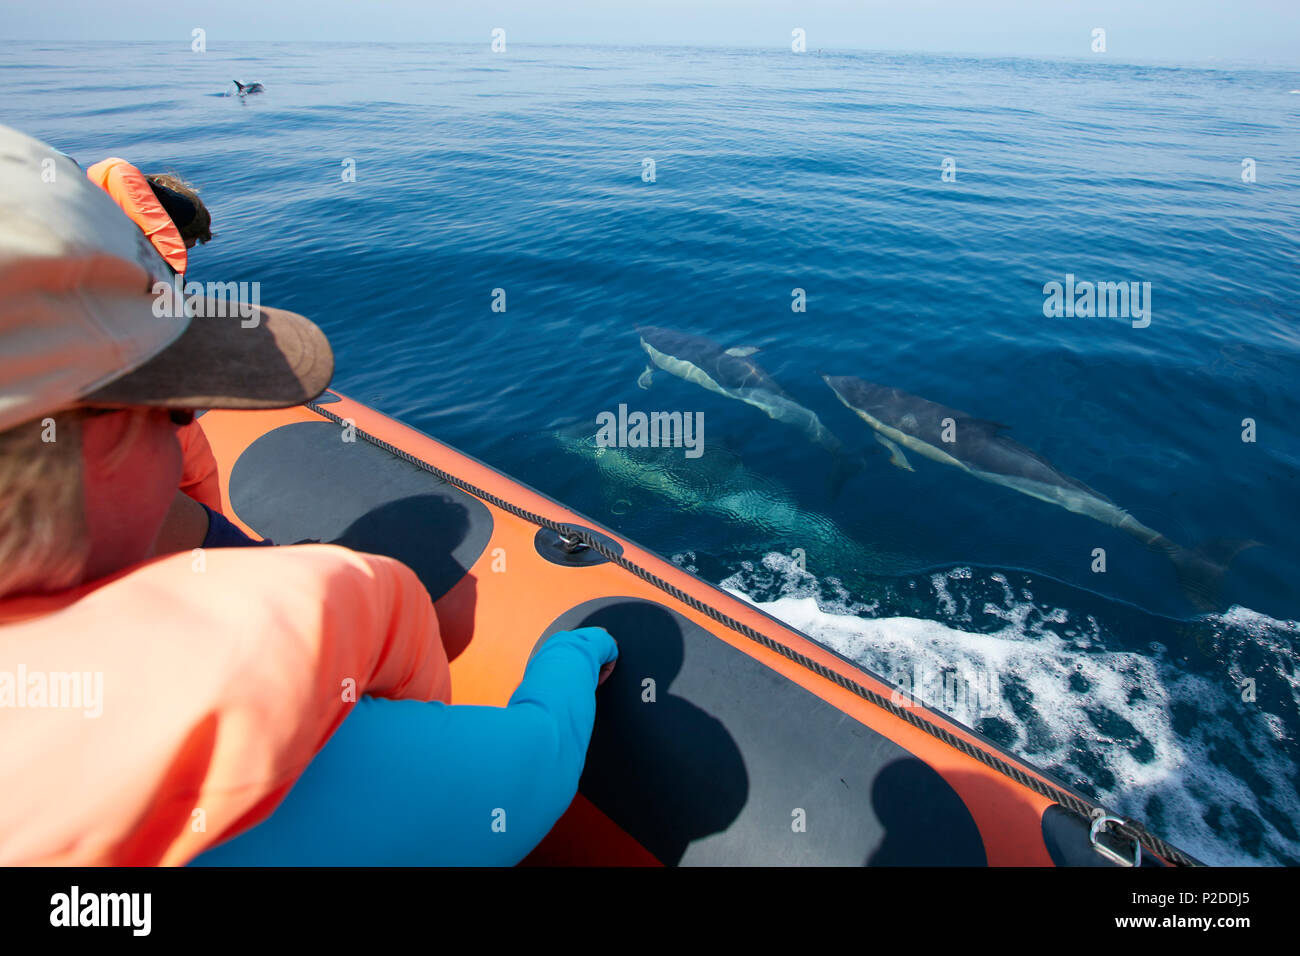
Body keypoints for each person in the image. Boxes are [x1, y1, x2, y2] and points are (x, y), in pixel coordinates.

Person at [0, 124, 617, 865]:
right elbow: (532, 771)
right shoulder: (280, 760)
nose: (186, 435)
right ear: (95, 437)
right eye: (176, 409)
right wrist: (582, 651)